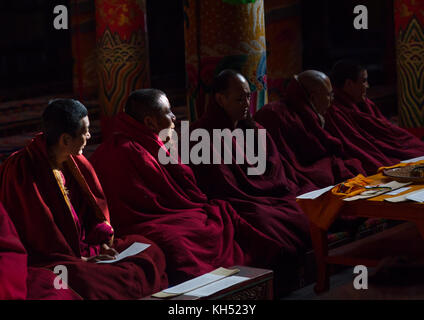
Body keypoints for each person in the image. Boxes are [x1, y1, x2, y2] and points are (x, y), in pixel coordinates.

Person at [90, 89, 281, 286]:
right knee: (182, 240)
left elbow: (183, 190)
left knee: (217, 222)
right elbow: (145, 205)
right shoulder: (127, 151)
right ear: (150, 122)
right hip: (144, 221)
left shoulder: (150, 142)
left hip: (170, 213)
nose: (174, 116)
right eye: (168, 112)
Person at [0, 99, 167, 299]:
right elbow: (42, 239)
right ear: (65, 140)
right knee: (98, 282)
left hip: (87, 248)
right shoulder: (22, 171)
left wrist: (101, 243)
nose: (90, 135)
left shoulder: (75, 162)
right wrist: (85, 260)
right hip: (58, 259)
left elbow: (93, 213)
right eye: (85, 131)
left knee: (149, 250)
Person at [189, 70, 311, 294]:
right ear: (219, 99)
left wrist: (271, 192)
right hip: (240, 200)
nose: (246, 103)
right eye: (239, 98)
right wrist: (261, 195)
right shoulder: (201, 134)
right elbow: (220, 183)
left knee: (301, 206)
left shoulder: (255, 130)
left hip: (270, 195)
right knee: (263, 219)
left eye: (247, 96)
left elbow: (276, 170)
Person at [255, 70, 366, 192]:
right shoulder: (274, 115)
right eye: (329, 95)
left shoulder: (306, 114)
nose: (331, 100)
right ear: (313, 97)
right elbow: (300, 159)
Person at [327, 59, 424, 166]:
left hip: (389, 148)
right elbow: (357, 145)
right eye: (364, 81)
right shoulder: (335, 111)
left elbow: (387, 131)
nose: (367, 86)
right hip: (375, 154)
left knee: (417, 149)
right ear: (349, 84)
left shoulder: (365, 103)